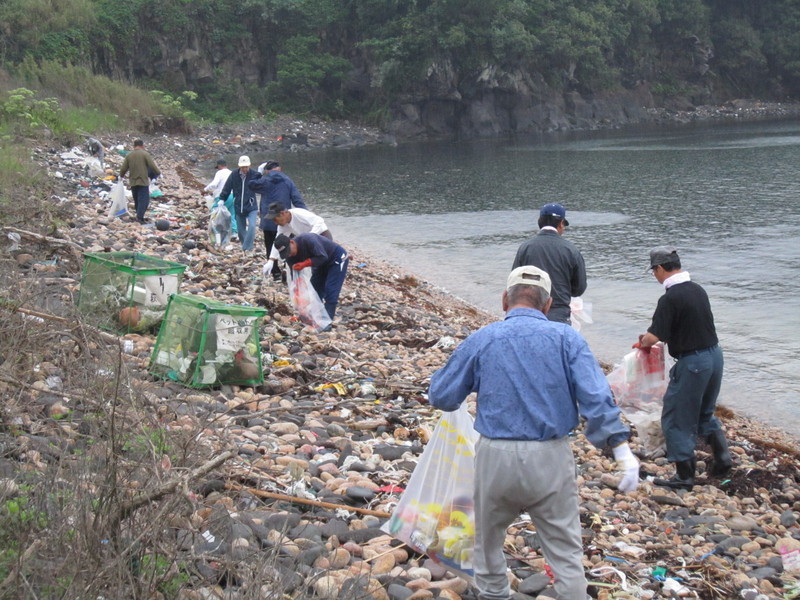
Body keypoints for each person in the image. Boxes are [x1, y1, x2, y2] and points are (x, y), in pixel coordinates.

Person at [428, 266, 639, 600]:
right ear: (548, 304)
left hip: (494, 455)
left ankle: (495, 594)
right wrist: (622, 451)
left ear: (504, 300)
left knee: (486, 540)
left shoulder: (483, 338)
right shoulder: (568, 339)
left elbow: (442, 396)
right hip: (550, 456)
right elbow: (596, 398)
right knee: (565, 549)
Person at [635, 247, 732, 490]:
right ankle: (723, 459)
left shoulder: (670, 297)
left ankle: (684, 476)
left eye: (654, 271)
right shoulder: (697, 290)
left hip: (693, 363)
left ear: (659, 269)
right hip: (715, 356)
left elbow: (654, 336)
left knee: (675, 417)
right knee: (704, 412)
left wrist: (643, 341)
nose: (655, 276)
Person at [512, 203, 587, 324]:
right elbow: (579, 289)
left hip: (529, 312)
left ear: (540, 222)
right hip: (558, 315)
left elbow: (514, 281)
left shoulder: (525, 248)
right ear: (561, 223)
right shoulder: (571, 250)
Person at [249, 160, 307, 279]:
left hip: (268, 220)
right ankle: (288, 269)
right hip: (285, 220)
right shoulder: (287, 181)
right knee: (287, 245)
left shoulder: (264, 180)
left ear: (267, 170)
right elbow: (297, 199)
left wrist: (258, 173)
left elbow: (251, 185)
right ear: (280, 168)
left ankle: (275, 272)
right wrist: (304, 215)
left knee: (271, 245)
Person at [273, 232, 349, 321]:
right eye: (286, 254)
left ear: (292, 242)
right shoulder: (290, 256)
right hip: (320, 264)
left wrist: (304, 264)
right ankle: (312, 316)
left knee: (331, 289)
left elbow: (322, 257)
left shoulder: (308, 239)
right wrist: (298, 289)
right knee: (314, 289)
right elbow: (294, 275)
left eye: (289, 251)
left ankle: (327, 320)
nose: (289, 255)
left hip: (337, 258)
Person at [261, 202, 332, 279]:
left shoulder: (299, 213)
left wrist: (310, 236)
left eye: (275, 219)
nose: (275, 223)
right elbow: (278, 242)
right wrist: (271, 260)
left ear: (282, 213)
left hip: (322, 236)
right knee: (296, 260)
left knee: (321, 263)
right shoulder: (283, 225)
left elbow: (319, 221)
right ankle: (301, 283)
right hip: (306, 241)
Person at [220, 156, 260, 253]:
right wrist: (222, 199)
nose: (245, 169)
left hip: (251, 205)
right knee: (240, 229)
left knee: (252, 226)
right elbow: (227, 187)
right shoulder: (234, 174)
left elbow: (262, 184)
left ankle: (247, 247)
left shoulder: (254, 174)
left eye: (246, 167)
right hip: (238, 205)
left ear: (249, 166)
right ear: (239, 167)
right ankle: (245, 246)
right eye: (243, 167)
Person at [119, 139, 161, 224]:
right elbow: (152, 165)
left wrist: (121, 176)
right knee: (144, 200)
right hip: (143, 181)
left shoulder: (129, 155)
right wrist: (158, 173)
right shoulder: (145, 154)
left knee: (137, 199)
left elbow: (123, 168)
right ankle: (139, 217)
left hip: (133, 181)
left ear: (134, 146)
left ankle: (139, 217)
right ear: (142, 146)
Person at [204, 158, 237, 240]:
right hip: (234, 196)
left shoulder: (220, 172)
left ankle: (217, 231)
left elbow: (214, 184)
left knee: (215, 211)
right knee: (232, 214)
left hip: (224, 196)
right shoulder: (232, 173)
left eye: (218, 167)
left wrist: (205, 189)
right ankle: (234, 233)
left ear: (219, 166)